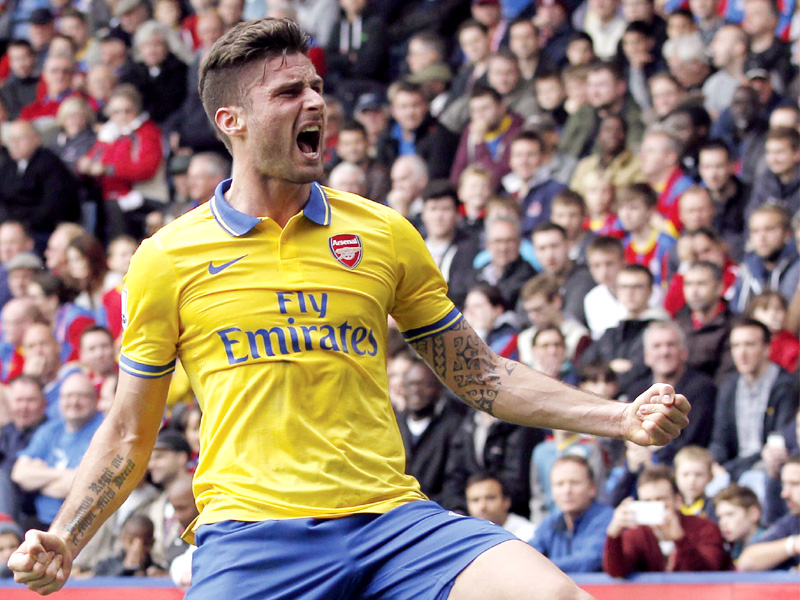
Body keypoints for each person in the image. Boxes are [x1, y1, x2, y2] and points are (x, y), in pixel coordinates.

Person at [8, 19, 690, 600]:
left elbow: (482, 376)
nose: (316, 104)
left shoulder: (383, 233)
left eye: (316, 88)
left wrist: (620, 418)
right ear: (231, 122)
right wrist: (67, 536)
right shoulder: (167, 258)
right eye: (289, 92)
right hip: (253, 534)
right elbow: (130, 433)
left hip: (390, 522)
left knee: (552, 594)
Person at [10, 371, 104, 528]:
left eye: (82, 396)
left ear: (95, 399)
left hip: (84, 525)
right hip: (42, 523)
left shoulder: (103, 430)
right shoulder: (50, 430)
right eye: (68, 396)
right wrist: (68, 475)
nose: (74, 402)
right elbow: (19, 473)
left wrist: (40, 482)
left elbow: (90, 486)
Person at [603, 465, 730, 576]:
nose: (653, 506)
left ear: (678, 501)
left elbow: (707, 575)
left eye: (660, 499)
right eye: (647, 501)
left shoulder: (706, 529)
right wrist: (614, 533)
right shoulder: (637, 533)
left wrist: (679, 539)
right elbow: (616, 571)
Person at [530, 456, 614, 573]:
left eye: (574, 483)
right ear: (552, 492)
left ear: (592, 489)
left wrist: (540, 568)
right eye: (560, 484)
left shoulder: (608, 519)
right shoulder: (549, 523)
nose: (567, 491)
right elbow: (527, 558)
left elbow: (589, 561)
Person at [737, 456, 800, 570]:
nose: (785, 494)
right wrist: (794, 545)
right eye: (784, 484)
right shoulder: (793, 520)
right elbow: (746, 563)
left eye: (795, 484)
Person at [465, 472, 535, 542]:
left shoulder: (529, 534)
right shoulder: (464, 538)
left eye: (490, 498)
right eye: (475, 500)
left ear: (506, 501)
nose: (482, 506)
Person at [713, 484, 764, 563]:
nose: (723, 523)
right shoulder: (733, 549)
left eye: (730, 514)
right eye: (720, 517)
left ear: (753, 514)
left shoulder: (769, 544)